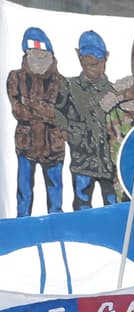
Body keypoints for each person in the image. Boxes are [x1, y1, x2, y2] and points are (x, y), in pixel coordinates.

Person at [7, 27, 65, 216]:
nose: (39, 60)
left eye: (43, 56)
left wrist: (32, 105)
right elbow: (18, 110)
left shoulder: (61, 82)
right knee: (24, 193)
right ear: (27, 54)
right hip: (26, 144)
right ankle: (21, 224)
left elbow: (59, 115)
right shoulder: (15, 77)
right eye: (34, 55)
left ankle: (57, 225)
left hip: (53, 146)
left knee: (55, 195)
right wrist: (45, 108)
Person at [55, 31, 116, 210]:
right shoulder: (69, 86)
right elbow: (58, 110)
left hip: (107, 163)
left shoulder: (113, 91)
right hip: (82, 160)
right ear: (79, 58)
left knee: (112, 203)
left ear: (106, 58)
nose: (92, 68)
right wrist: (67, 132)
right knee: (81, 203)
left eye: (96, 62)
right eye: (87, 62)